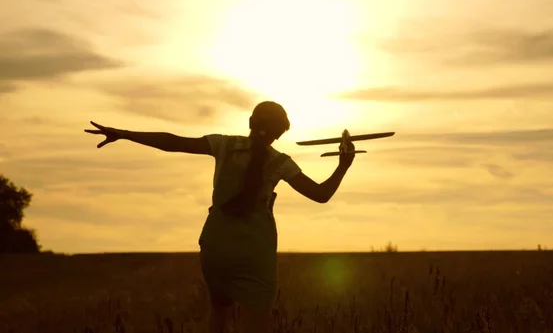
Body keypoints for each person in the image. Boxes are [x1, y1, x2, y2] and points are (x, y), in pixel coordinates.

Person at [84, 101, 355, 333]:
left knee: (218, 314)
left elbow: (174, 142)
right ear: (281, 133)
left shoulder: (225, 145)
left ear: (250, 122)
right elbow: (320, 195)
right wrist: (343, 165)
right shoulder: (281, 162)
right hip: (254, 251)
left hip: (216, 245)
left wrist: (124, 133)